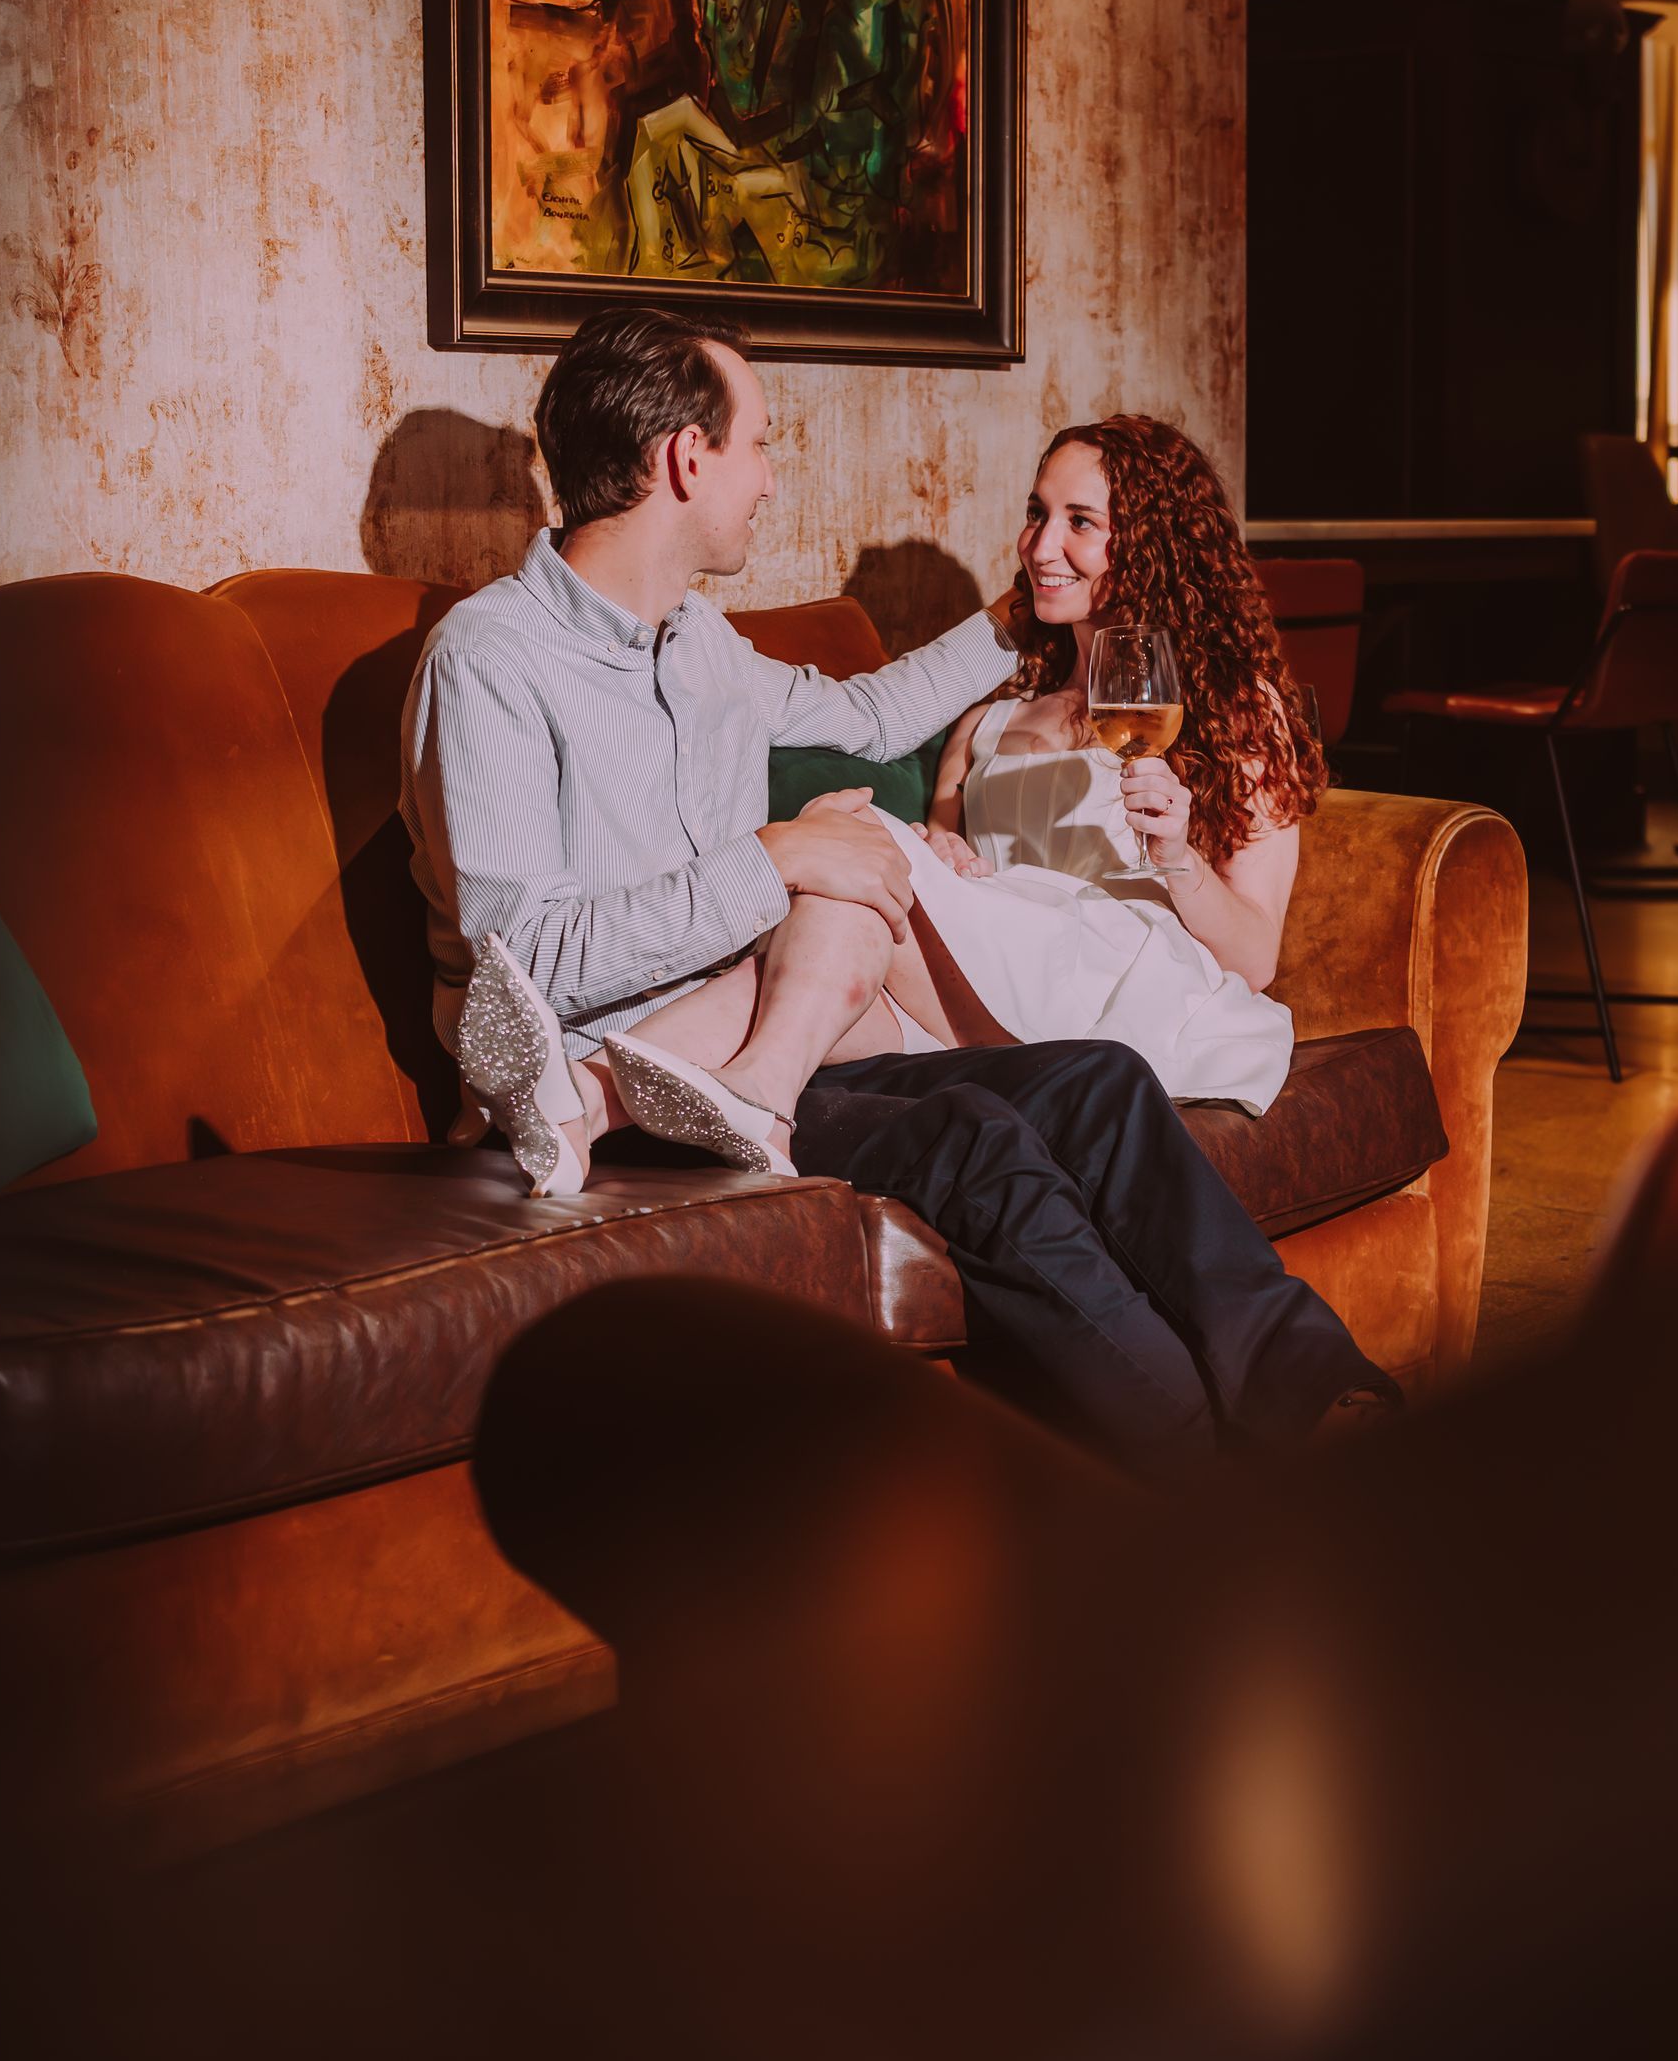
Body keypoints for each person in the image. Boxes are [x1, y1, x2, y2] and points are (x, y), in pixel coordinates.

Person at [401, 303, 1394, 1465]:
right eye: (759, 445)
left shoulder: (700, 643)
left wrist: (1030, 602)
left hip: (783, 1020)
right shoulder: (492, 659)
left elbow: (867, 717)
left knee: (1104, 1087)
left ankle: (1314, 1392)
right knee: (977, 1138)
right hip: (617, 1066)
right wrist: (772, 860)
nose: (770, 480)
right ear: (686, 458)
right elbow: (527, 966)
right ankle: (1201, 1480)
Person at [865, 414, 1314, 1115]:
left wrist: (1177, 855)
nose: (1042, 546)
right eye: (1037, 514)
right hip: (989, 987)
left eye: (1081, 522)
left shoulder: (1232, 709)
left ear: (1151, 546)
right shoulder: (986, 721)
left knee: (852, 839)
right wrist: (942, 847)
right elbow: (942, 866)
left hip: (1128, 994)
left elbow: (1256, 960)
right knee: (854, 870)